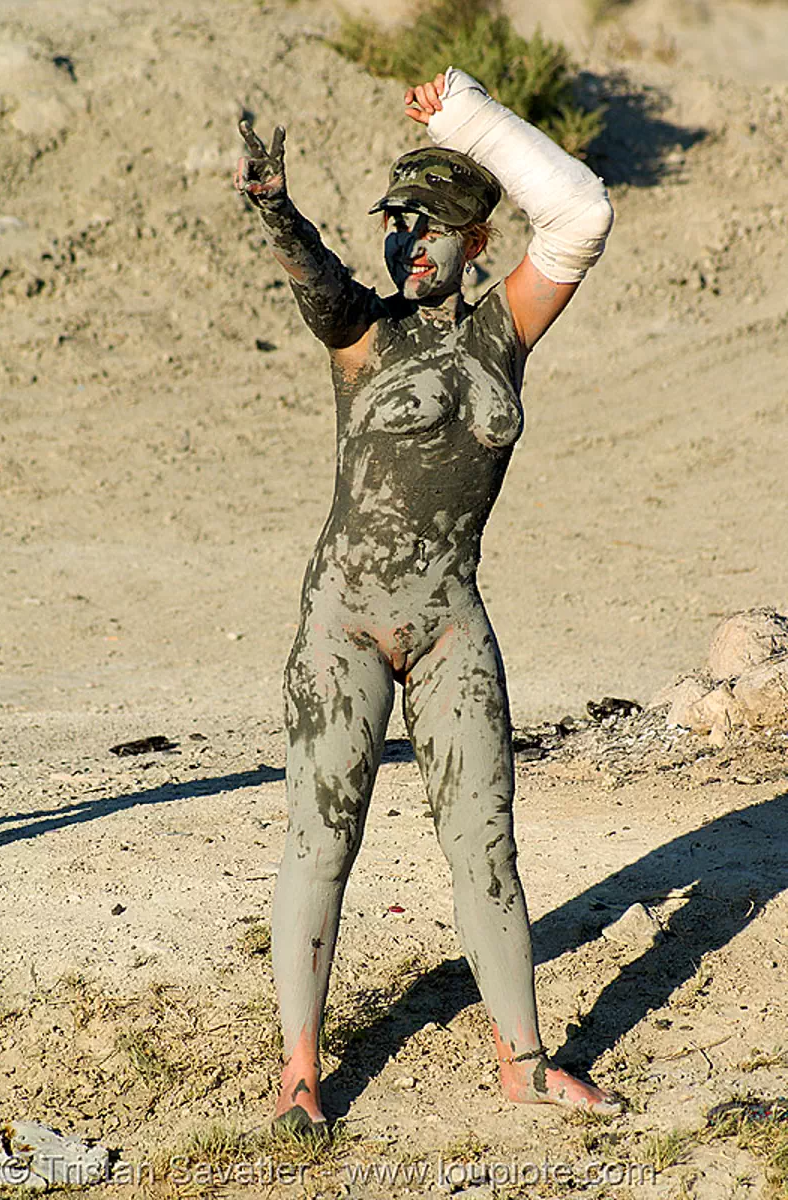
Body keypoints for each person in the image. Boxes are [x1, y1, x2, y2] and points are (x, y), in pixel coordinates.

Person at [234, 66, 620, 1134]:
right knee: (323, 838)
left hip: (452, 620)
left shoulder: (506, 333)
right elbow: (316, 279)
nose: (406, 241)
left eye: (429, 225)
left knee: (485, 844)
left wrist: (467, 118)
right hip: (343, 625)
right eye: (395, 224)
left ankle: (525, 1060)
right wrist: (277, 211)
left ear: (474, 241)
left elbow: (582, 210)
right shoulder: (366, 335)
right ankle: (302, 1076)